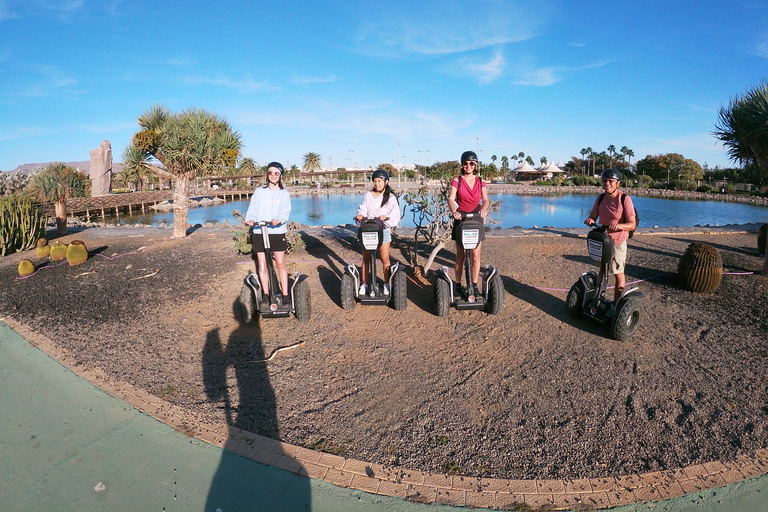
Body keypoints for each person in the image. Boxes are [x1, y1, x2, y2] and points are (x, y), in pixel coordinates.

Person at [584, 168, 637, 314]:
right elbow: (594, 213)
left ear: (617, 184)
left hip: (618, 242)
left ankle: (616, 304)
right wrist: (591, 219)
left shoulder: (624, 199)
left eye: (610, 181)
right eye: (604, 181)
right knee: (602, 270)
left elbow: (632, 224)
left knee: (618, 272)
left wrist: (619, 225)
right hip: (603, 241)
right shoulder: (600, 198)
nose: (607, 183)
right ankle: (599, 299)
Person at [244, 161, 291, 299]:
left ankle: (286, 294)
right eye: (271, 173)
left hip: (277, 231)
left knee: (280, 263)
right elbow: (252, 209)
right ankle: (265, 293)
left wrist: (278, 219)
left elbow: (285, 212)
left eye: (277, 173)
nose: (274, 175)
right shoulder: (259, 192)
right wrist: (251, 219)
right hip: (260, 231)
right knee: (262, 264)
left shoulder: (284, 194)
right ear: (267, 175)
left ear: (280, 175)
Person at [448, 150, 490, 295]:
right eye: (465, 163)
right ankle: (458, 285)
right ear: (462, 165)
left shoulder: (480, 181)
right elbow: (450, 199)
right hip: (462, 218)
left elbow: (485, 200)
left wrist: (484, 209)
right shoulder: (457, 180)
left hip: (476, 218)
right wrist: (454, 211)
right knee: (461, 255)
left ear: (475, 165)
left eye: (471, 163)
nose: (468, 166)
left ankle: (474, 285)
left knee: (475, 255)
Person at [354, 169, 401, 295]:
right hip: (368, 229)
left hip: (383, 230)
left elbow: (395, 214)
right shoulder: (368, 195)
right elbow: (363, 208)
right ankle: (364, 284)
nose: (377, 184)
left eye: (379, 181)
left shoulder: (390, 197)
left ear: (385, 182)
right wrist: (360, 215)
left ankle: (386, 284)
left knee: (385, 259)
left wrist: (386, 218)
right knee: (366, 258)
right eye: (375, 181)